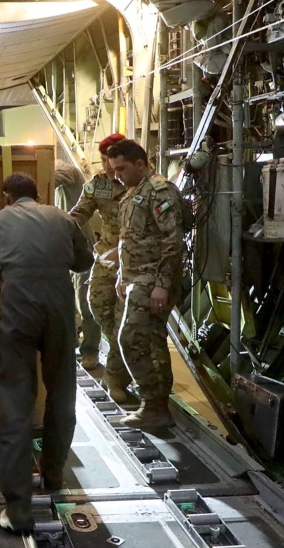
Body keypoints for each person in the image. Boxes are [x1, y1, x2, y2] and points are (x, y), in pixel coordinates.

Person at [0, 173, 93, 533]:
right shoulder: (64, 218)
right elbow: (84, 261)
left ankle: (17, 507)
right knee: (62, 391)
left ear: (6, 196)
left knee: (16, 400)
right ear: (40, 194)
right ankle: (54, 472)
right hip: (59, 307)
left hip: (18, 309)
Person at [106, 139, 185, 431]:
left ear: (140, 164)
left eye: (122, 168)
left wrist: (162, 285)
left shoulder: (159, 191)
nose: (117, 175)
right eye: (114, 169)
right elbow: (130, 240)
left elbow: (172, 241)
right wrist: (123, 277)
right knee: (152, 342)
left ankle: (152, 403)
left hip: (153, 280)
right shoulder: (133, 193)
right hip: (138, 279)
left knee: (130, 339)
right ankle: (157, 406)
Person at [70, 134, 134, 405]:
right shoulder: (98, 184)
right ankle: (118, 366)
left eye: (114, 162)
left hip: (134, 261)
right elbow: (78, 214)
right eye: (106, 161)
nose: (109, 168)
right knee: (96, 306)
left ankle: (116, 380)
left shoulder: (139, 184)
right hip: (107, 258)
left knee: (124, 324)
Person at [53, 159, 99, 377]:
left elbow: (55, 176)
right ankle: (70, 346)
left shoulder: (68, 172)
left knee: (84, 300)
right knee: (65, 299)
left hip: (80, 244)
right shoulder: (58, 186)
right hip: (59, 245)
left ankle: (90, 350)